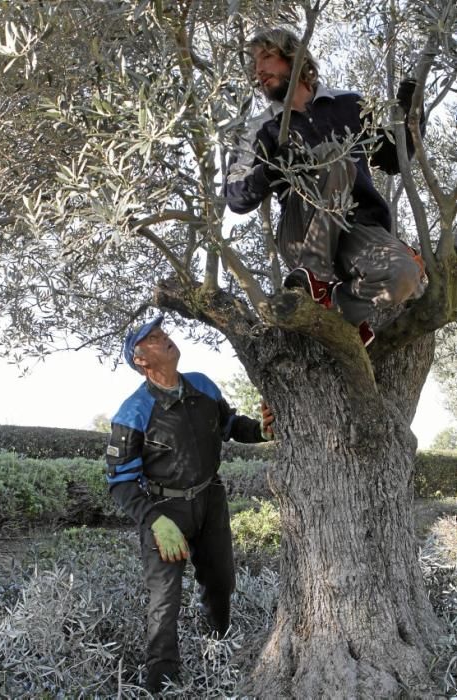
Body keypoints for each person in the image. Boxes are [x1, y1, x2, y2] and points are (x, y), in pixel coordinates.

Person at [226, 27, 426, 346]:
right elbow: (236, 198)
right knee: (333, 155)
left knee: (405, 275)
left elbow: (392, 160)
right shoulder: (259, 128)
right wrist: (272, 166)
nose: (258, 70)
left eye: (266, 57)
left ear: (294, 57)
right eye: (254, 64)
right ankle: (315, 278)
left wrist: (412, 112)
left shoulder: (349, 104)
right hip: (302, 234)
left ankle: (337, 312)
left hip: (358, 225)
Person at [106, 316, 274, 693]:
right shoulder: (132, 411)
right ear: (140, 360)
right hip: (165, 511)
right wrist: (154, 520)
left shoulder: (202, 385)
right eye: (151, 338)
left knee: (220, 581)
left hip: (210, 499)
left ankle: (219, 647)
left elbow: (231, 426)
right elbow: (119, 481)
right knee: (165, 595)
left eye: (161, 331)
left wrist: (261, 430)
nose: (163, 336)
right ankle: (161, 678)